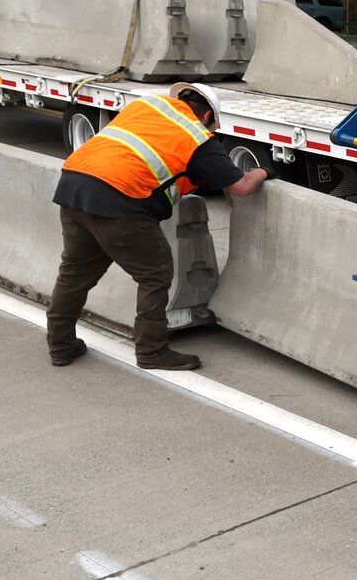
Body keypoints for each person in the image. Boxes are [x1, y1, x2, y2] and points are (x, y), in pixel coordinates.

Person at [47, 82, 268, 372]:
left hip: (74, 184)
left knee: (74, 273)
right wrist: (263, 171)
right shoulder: (198, 137)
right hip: (120, 201)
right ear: (206, 118)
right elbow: (240, 186)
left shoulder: (146, 106)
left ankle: (61, 346)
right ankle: (152, 351)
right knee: (155, 273)